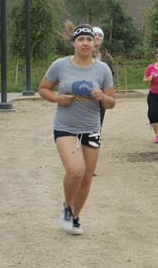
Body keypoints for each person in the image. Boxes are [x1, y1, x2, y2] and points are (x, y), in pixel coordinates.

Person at [38, 24, 115, 235]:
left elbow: (111, 103)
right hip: (65, 127)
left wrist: (102, 97)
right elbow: (43, 88)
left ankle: (74, 217)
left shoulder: (103, 69)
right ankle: (67, 207)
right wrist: (57, 98)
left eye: (89, 40)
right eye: (81, 40)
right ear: (74, 43)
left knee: (87, 177)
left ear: (94, 43)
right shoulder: (60, 65)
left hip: (91, 127)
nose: (85, 43)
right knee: (76, 170)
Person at [92, 26, 117, 127]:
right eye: (95, 35)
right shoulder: (83, 54)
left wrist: (107, 92)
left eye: (100, 35)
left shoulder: (107, 58)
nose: (97, 37)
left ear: (102, 39)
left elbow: (112, 74)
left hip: (101, 95)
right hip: (83, 94)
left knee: (97, 125)